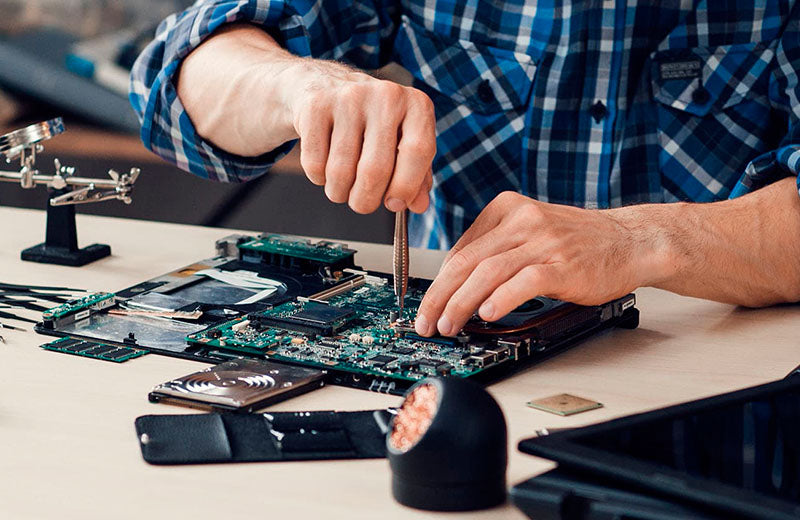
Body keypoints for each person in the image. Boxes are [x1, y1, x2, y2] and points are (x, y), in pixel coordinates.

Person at [131, 1, 800, 338]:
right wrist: (296, 85)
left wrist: (647, 240)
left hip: (720, 384)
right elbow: (171, 86)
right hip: (457, 362)